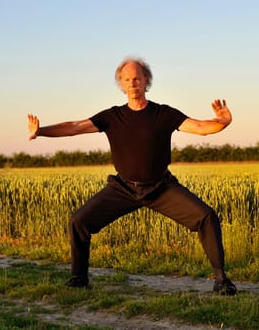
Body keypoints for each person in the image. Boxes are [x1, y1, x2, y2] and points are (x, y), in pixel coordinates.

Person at [27, 56, 237, 295]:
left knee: (206, 216)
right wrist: (41, 131)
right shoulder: (112, 117)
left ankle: (221, 280)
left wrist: (222, 122)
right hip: (123, 189)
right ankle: (79, 278)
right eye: (127, 79)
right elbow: (74, 126)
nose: (132, 83)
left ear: (146, 80)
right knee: (79, 221)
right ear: (121, 83)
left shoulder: (163, 114)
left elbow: (200, 127)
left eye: (137, 78)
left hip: (161, 188)